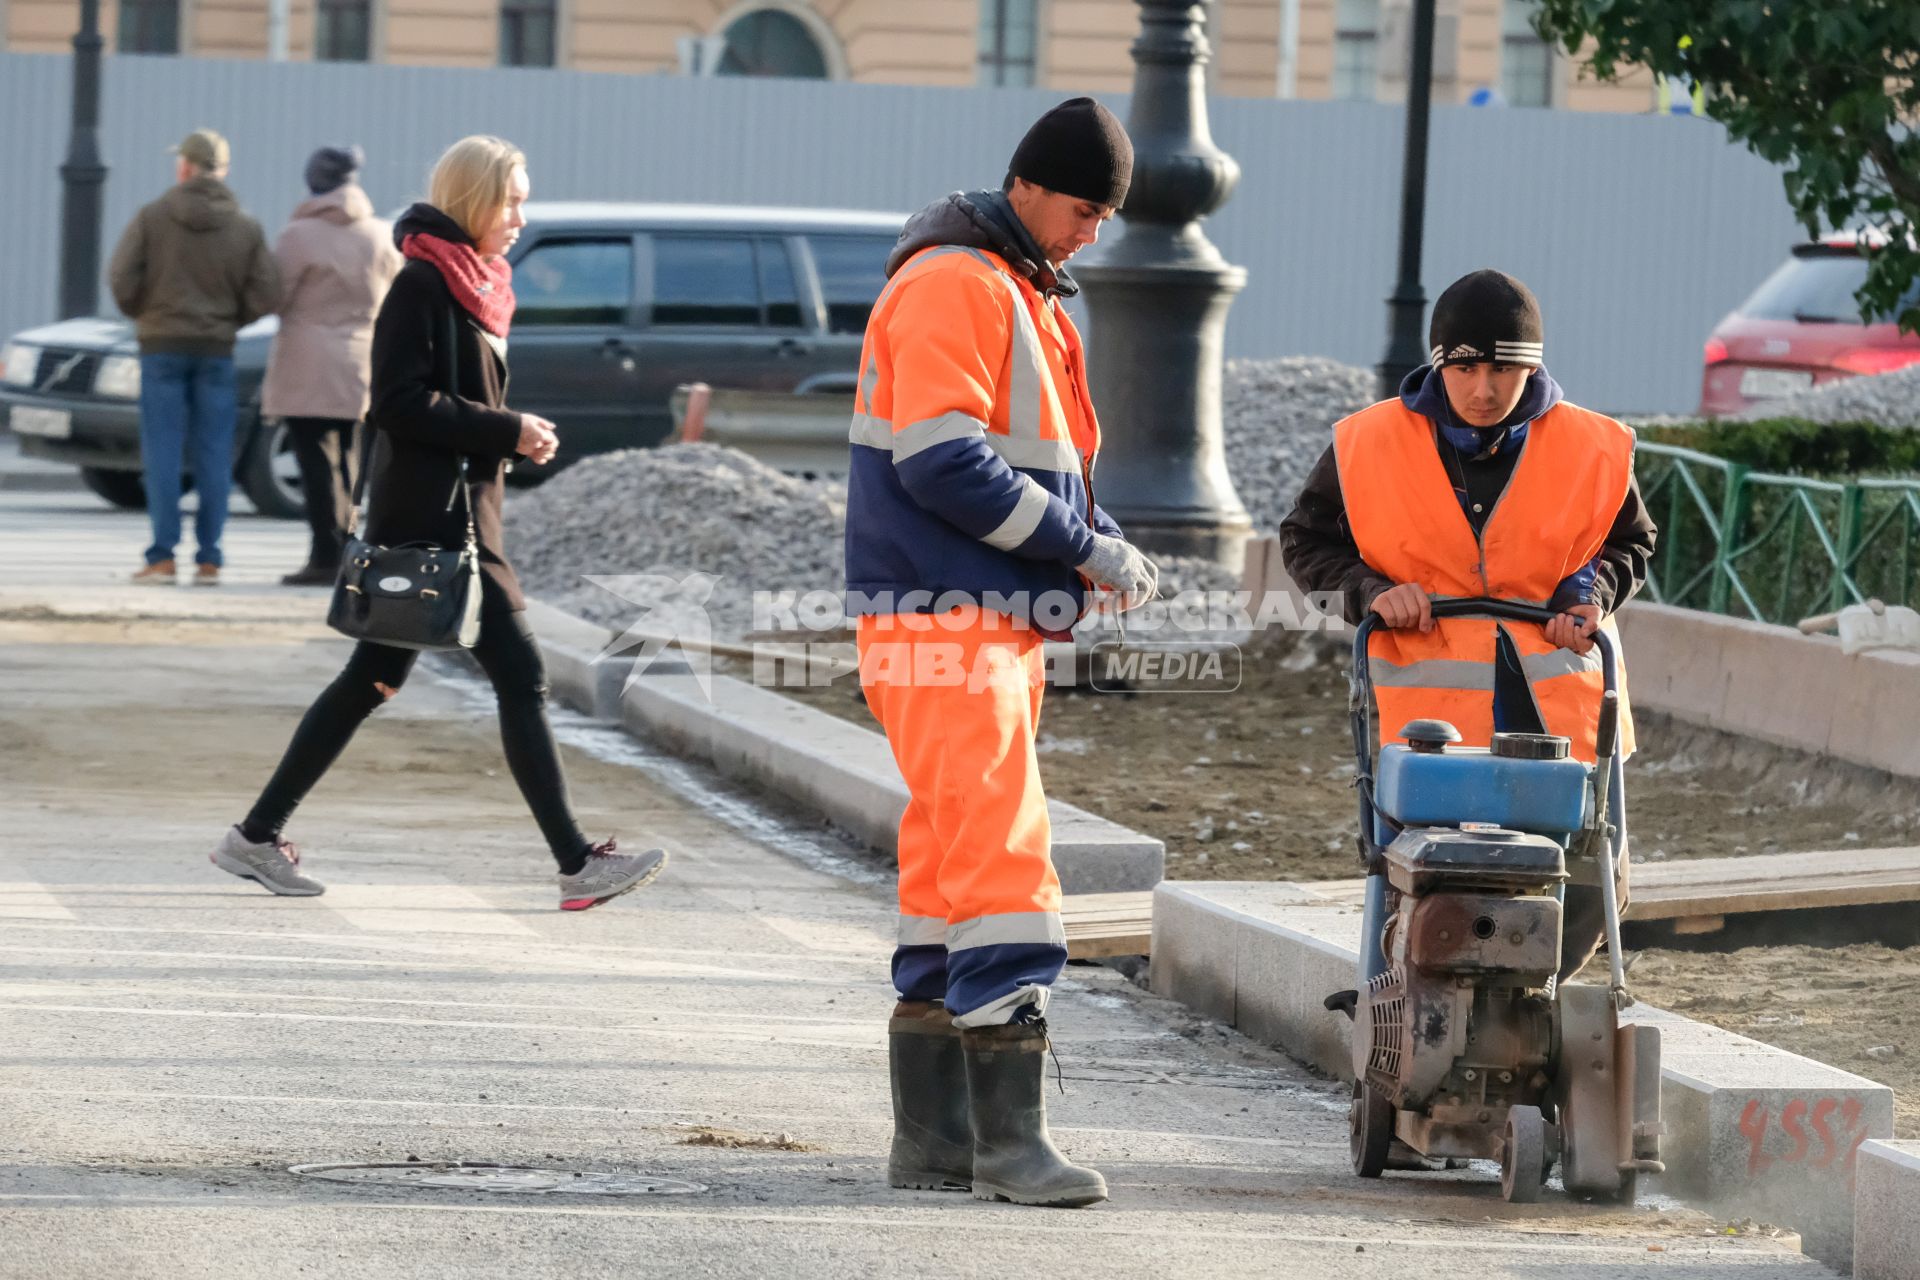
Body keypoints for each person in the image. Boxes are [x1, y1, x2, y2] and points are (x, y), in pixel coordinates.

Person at [211, 135, 667, 912]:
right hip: (433, 526)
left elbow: (454, 404)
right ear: (473, 200)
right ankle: (575, 862)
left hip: (455, 515)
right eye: (512, 199)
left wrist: (511, 434)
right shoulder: (424, 282)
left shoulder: (477, 281)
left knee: (372, 680)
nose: (522, 215)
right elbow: (393, 401)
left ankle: (255, 837)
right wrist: (504, 429)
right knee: (519, 679)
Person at [845, 98, 1159, 1209]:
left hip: (971, 619)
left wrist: (1086, 549)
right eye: (1085, 209)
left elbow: (1003, 460)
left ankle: (935, 1138)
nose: (1092, 233)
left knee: (946, 867)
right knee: (1003, 862)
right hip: (947, 622)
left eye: (1107, 216)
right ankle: (1010, 1143)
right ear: (1029, 186)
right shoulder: (960, 284)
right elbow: (944, 460)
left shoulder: (1000, 285)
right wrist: (1086, 547)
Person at [1279, 268, 1658, 980]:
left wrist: (1590, 592)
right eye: (1466, 367)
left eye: (1505, 369)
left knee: (1584, 882)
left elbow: (1628, 541)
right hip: (1427, 726)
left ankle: (1528, 1000)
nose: (1485, 389)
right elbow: (1306, 540)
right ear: (1439, 361)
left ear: (1534, 366)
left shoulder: (1593, 447)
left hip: (1555, 713)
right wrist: (1369, 591)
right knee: (1424, 877)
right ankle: (1418, 1011)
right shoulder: (1366, 444)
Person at [109, 128, 279, 587]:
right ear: (222, 170)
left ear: (184, 167)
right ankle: (210, 557)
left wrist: (145, 314)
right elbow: (267, 291)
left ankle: (162, 556)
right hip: (216, 352)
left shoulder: (153, 216)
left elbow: (121, 277)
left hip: (161, 349)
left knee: (162, 453)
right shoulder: (245, 225)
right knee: (213, 457)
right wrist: (231, 321)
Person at [262, 144, 403, 586]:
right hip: (362, 359)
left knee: (316, 462)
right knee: (349, 461)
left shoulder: (298, 235)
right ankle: (347, 551)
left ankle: (325, 557)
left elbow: (273, 296)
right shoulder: (380, 234)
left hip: (308, 360)